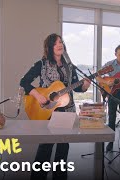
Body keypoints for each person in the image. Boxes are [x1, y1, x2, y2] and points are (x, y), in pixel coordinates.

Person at [20, 33, 90, 180]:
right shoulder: (42, 64)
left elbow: (76, 88)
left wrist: (85, 86)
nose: (60, 45)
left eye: (61, 42)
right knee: (45, 148)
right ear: (50, 47)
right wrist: (38, 96)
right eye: (56, 43)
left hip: (67, 111)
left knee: (63, 150)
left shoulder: (69, 66)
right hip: (47, 112)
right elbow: (24, 82)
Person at [96, 45, 120, 153]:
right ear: (115, 54)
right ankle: (110, 142)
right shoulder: (110, 64)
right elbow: (97, 76)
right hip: (112, 93)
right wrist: (106, 82)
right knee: (111, 117)